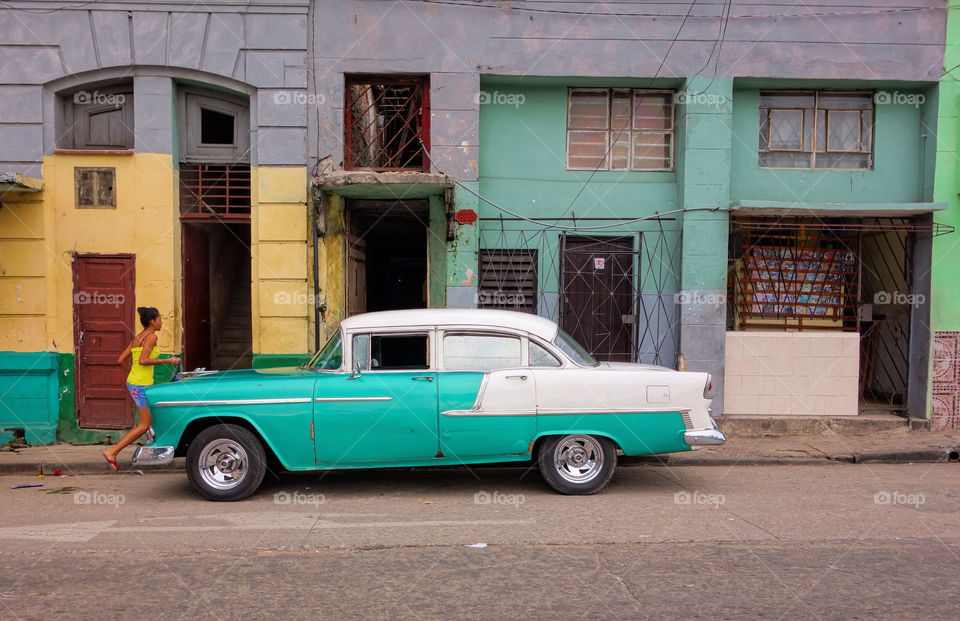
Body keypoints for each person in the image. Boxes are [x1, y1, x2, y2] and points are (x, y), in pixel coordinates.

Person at [103, 307, 181, 471]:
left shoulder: (138, 336)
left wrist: (132, 373)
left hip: (136, 382)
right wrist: (168, 360)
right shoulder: (151, 337)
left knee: (153, 418)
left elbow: (121, 360)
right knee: (144, 425)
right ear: (152, 321)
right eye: (160, 319)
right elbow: (143, 361)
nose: (161, 322)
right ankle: (112, 451)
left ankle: (152, 447)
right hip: (140, 385)